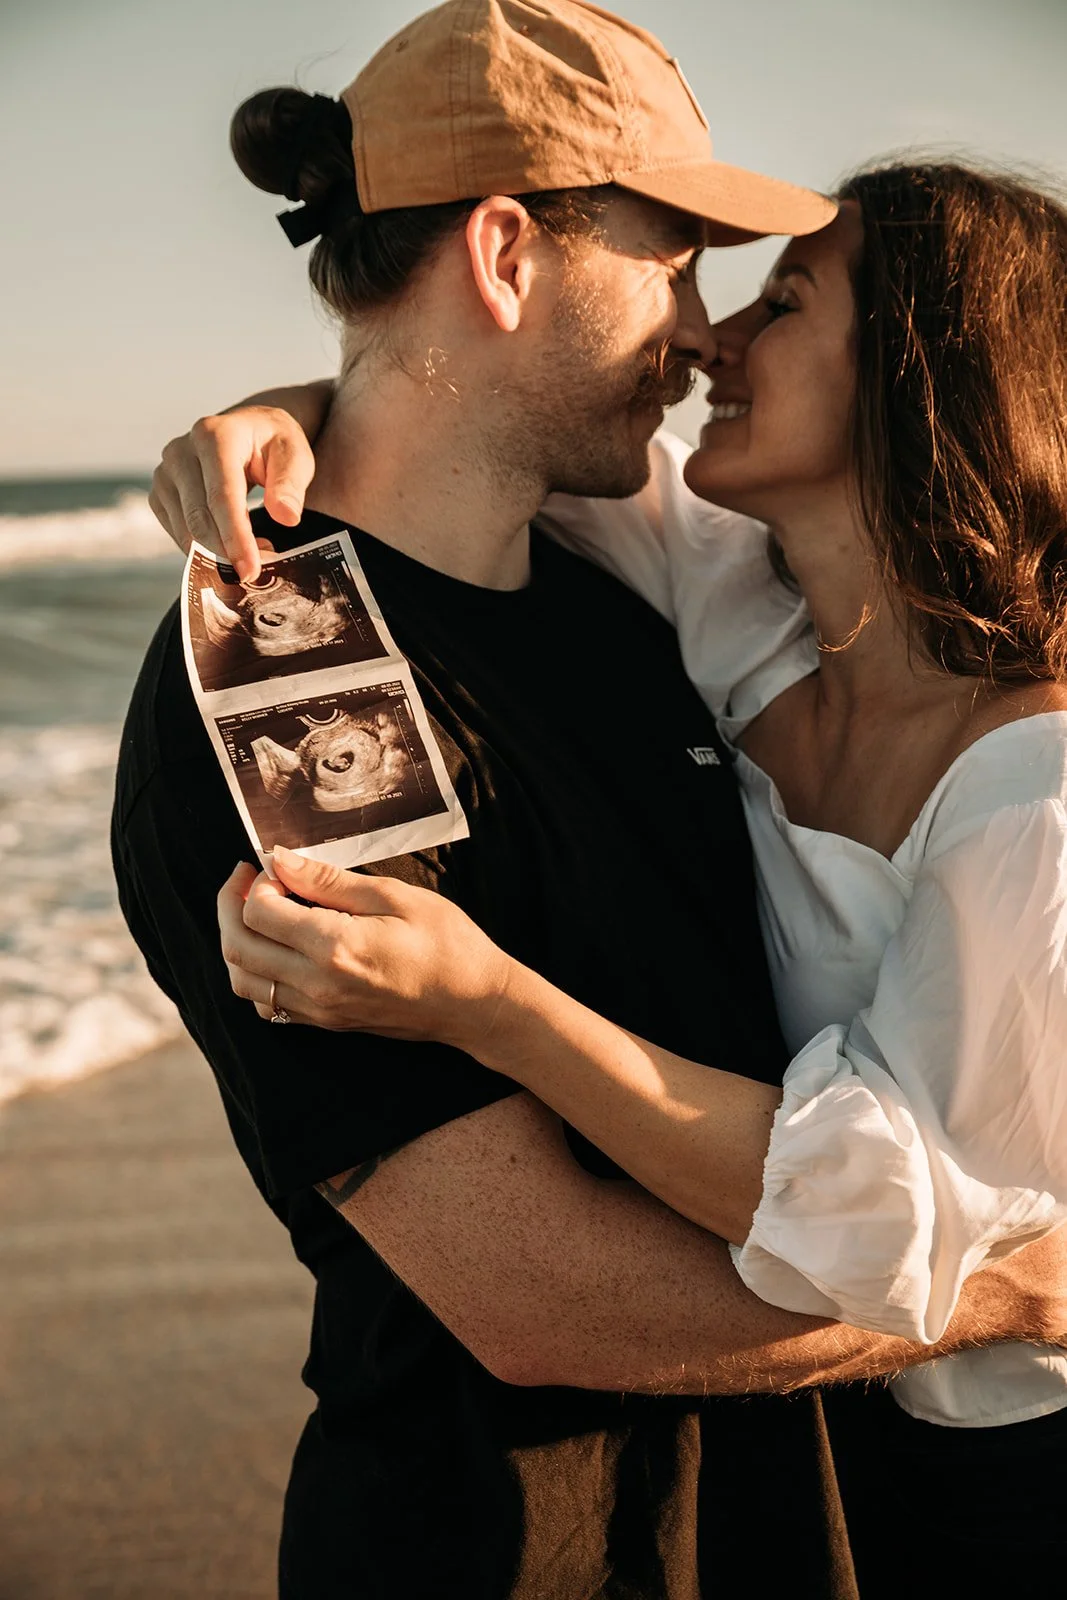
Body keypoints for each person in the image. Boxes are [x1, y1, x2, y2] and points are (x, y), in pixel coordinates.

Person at [122, 5, 1067, 1597]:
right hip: (523, 1546)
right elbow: (538, 1296)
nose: (700, 336)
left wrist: (298, 406)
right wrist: (1004, 1290)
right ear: (505, 257)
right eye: (675, 262)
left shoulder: (624, 596)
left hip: (777, 1516)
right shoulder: (297, 671)